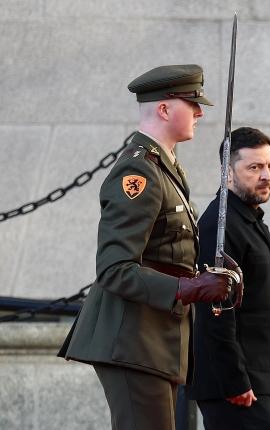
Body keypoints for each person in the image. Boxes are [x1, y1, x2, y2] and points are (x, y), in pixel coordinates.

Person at [58, 64, 242, 430]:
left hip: (152, 340)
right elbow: (114, 269)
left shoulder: (165, 167)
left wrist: (208, 274)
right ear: (164, 109)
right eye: (192, 104)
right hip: (132, 341)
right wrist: (187, 288)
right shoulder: (139, 172)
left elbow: (164, 252)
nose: (200, 113)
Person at [187, 127, 270, 430]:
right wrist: (235, 381)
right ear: (227, 174)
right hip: (232, 386)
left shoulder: (249, 221)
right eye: (254, 167)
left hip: (252, 381)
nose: (266, 175)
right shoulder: (221, 225)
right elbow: (215, 312)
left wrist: (267, 384)